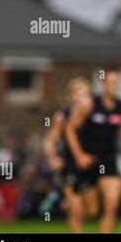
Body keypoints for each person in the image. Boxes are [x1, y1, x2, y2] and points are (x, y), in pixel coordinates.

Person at [65, 68, 121, 233]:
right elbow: (70, 129)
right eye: (110, 83)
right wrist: (79, 155)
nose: (113, 86)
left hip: (110, 160)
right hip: (89, 162)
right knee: (92, 211)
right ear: (103, 84)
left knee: (111, 208)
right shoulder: (89, 104)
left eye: (116, 83)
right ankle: (72, 214)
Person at [43, 77, 91, 233]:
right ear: (71, 95)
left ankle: (63, 204)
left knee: (92, 211)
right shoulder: (62, 116)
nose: (83, 98)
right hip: (68, 164)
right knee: (75, 210)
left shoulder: (93, 116)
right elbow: (50, 140)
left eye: (86, 94)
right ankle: (68, 205)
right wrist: (52, 157)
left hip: (89, 164)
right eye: (79, 93)